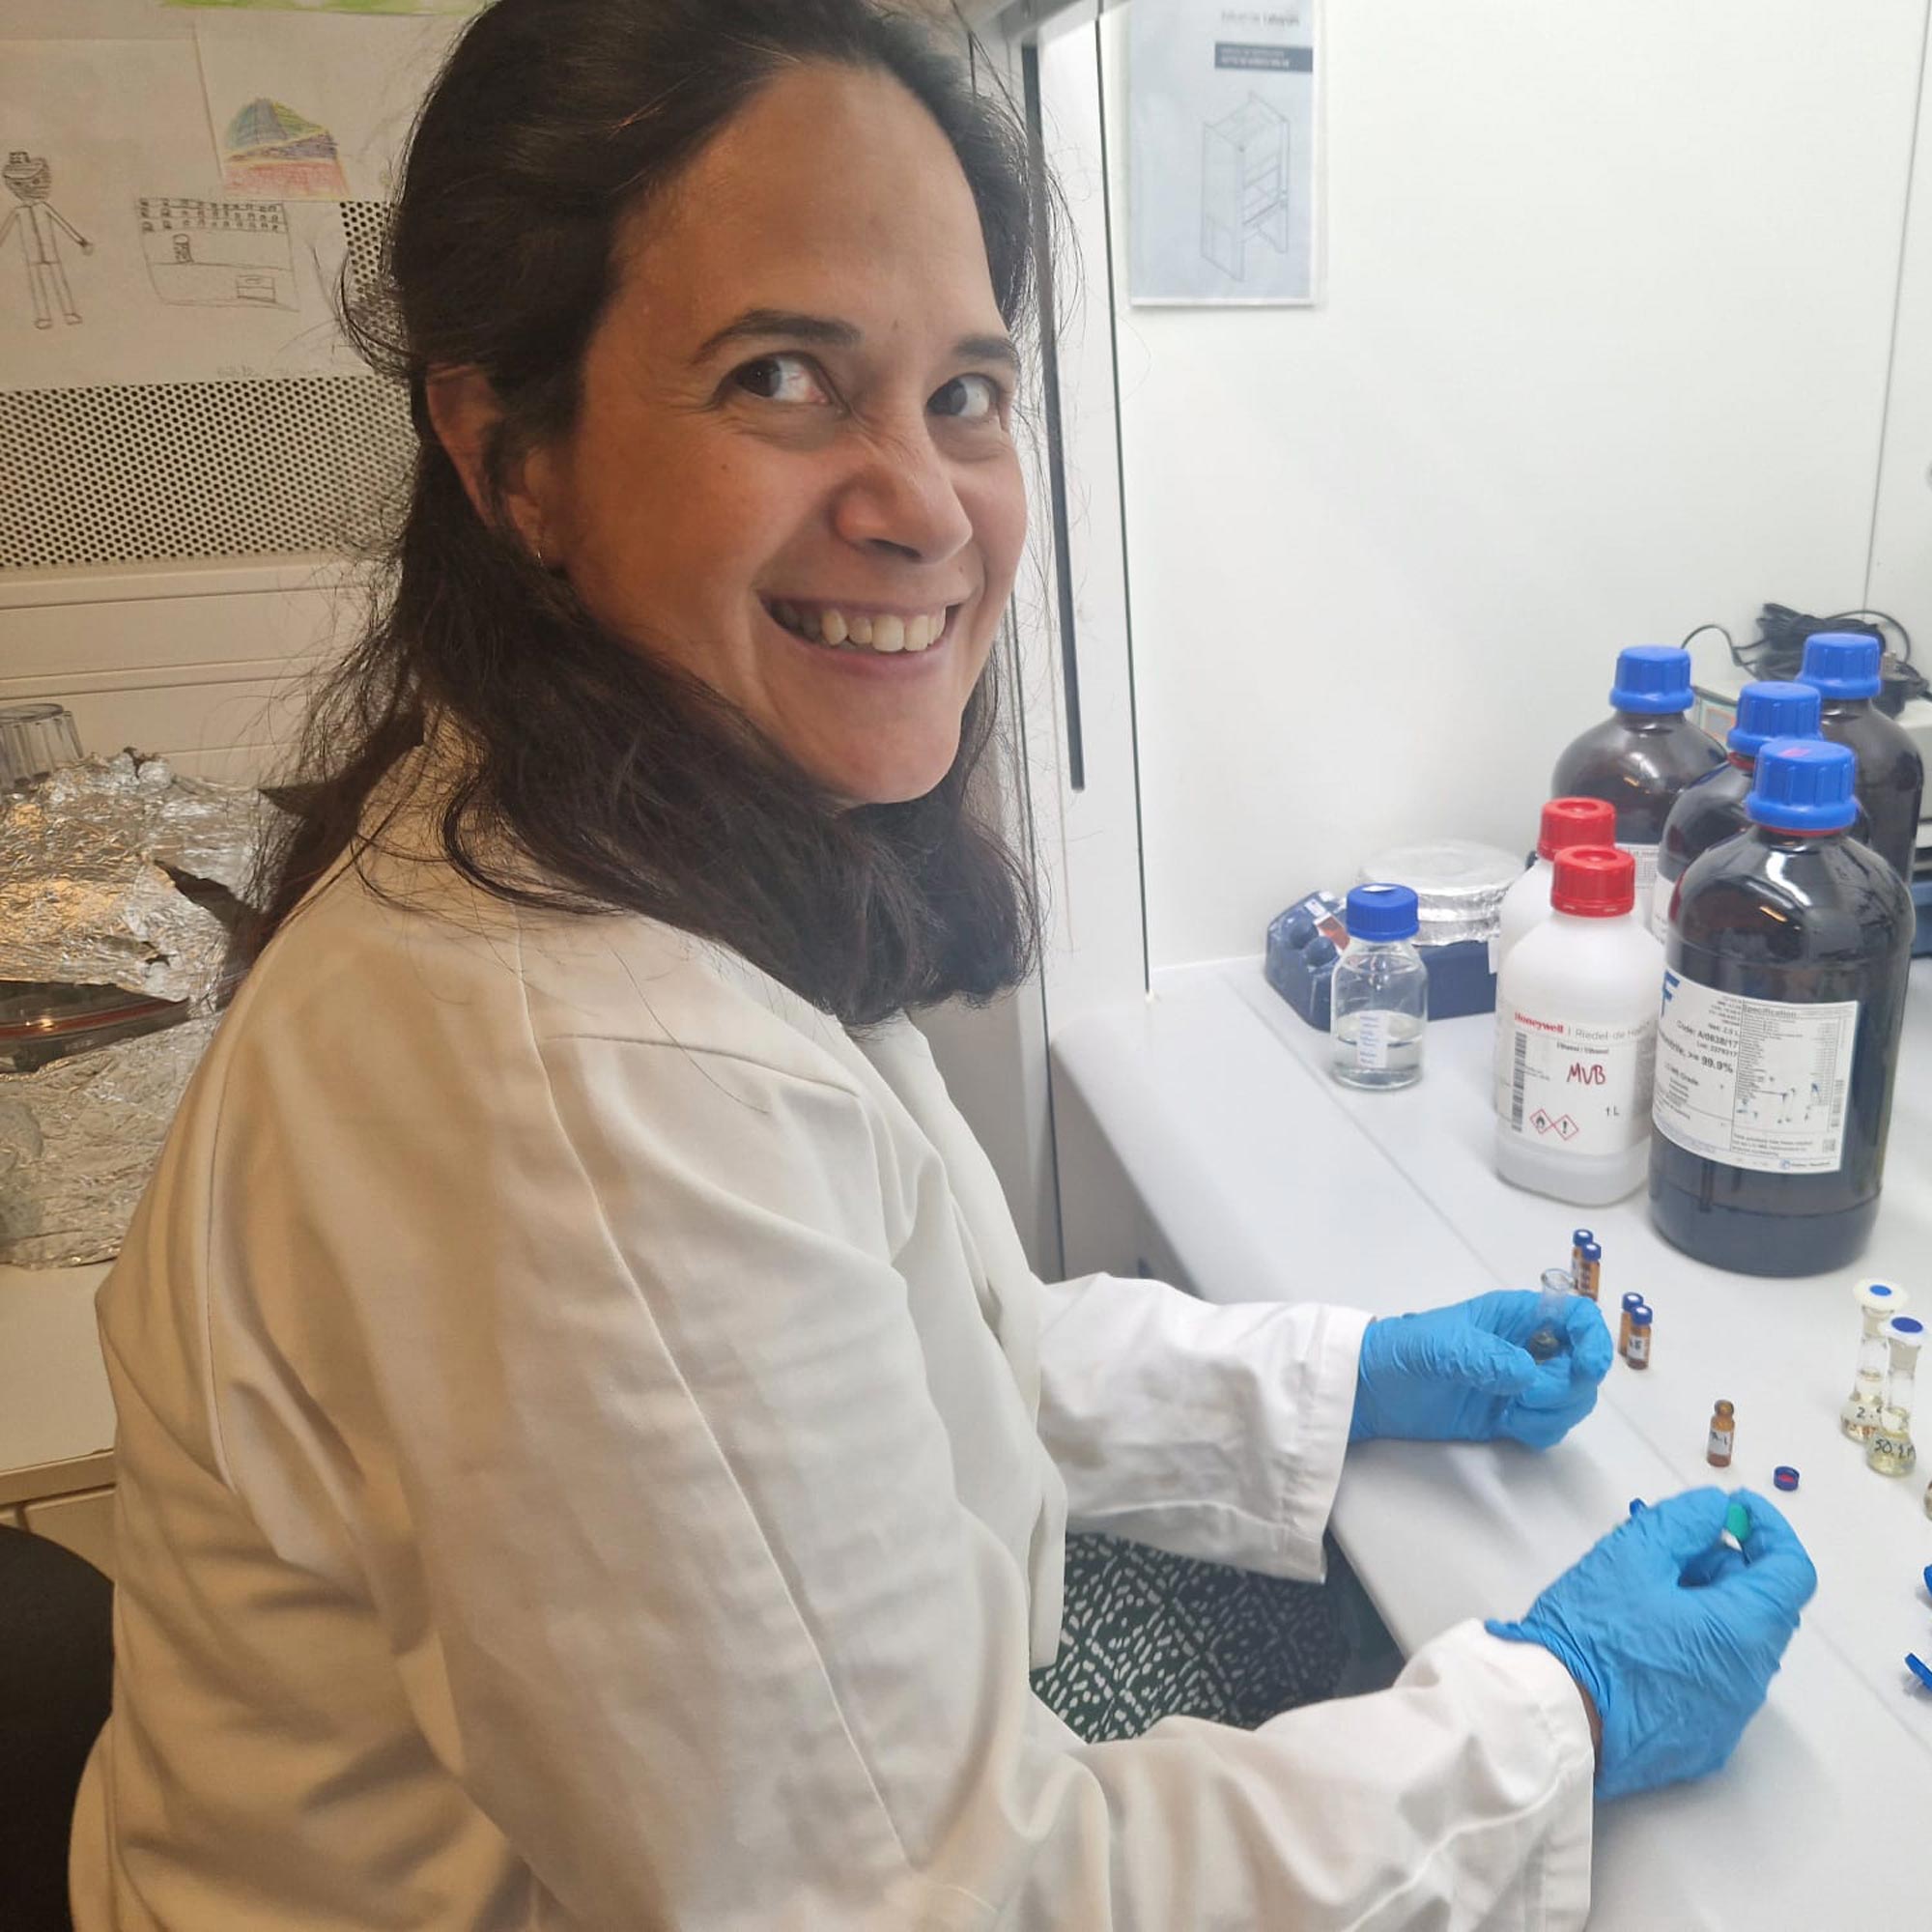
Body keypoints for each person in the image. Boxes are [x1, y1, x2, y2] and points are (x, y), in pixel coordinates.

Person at [71, 3, 1816, 1926]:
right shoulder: (582, 1081)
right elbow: (947, 1900)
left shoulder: (621, 833)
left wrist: (1330, 1377)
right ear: (512, 457)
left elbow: (878, 1361)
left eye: (964, 393)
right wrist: (1555, 1716)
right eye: (783, 377)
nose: (921, 504)